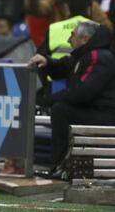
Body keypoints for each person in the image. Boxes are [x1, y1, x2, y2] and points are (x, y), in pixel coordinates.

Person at [28, 21, 115, 179]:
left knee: (61, 110)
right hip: (96, 111)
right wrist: (47, 61)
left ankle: (59, 165)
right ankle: (59, 166)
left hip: (105, 115)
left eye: (72, 35)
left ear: (84, 39)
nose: (69, 40)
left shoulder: (98, 57)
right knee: (61, 108)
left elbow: (83, 94)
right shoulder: (86, 55)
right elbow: (64, 65)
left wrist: (49, 100)